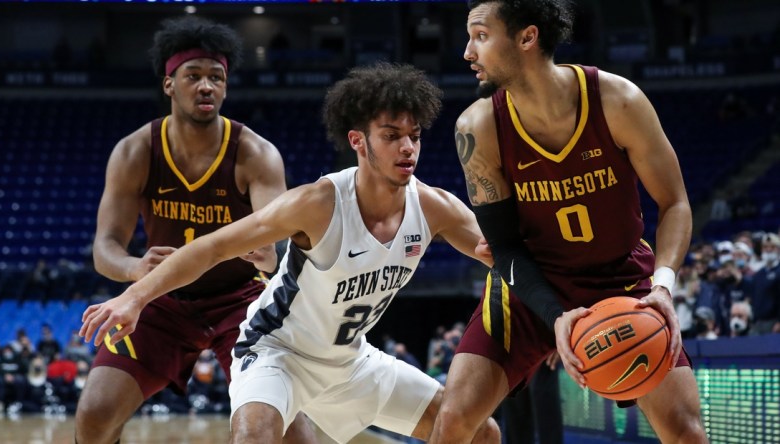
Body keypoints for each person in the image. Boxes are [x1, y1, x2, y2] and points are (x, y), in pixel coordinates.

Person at [79, 62, 501, 444]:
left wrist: (551, 314)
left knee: (480, 433)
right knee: (254, 437)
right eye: (391, 136)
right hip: (276, 352)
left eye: (414, 136)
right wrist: (134, 297)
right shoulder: (319, 202)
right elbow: (213, 247)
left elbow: (504, 254)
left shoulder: (435, 207)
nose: (407, 147)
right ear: (358, 140)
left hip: (350, 360)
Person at [429, 1, 708, 442]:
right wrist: (555, 315)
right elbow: (505, 248)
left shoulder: (618, 100)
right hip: (532, 285)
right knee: (455, 418)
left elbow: (675, 203)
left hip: (621, 276)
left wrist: (664, 286)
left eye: (481, 36)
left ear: (526, 37)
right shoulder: (477, 127)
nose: (467, 52)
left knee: (685, 430)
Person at [73, 16, 315, 444]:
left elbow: (279, 236)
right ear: (169, 84)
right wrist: (133, 268)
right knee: (94, 415)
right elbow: (104, 247)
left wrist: (271, 253)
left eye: (216, 77)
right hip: (161, 302)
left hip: (241, 303)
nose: (206, 86)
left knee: (292, 432)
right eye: (194, 76)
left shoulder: (256, 154)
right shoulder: (135, 151)